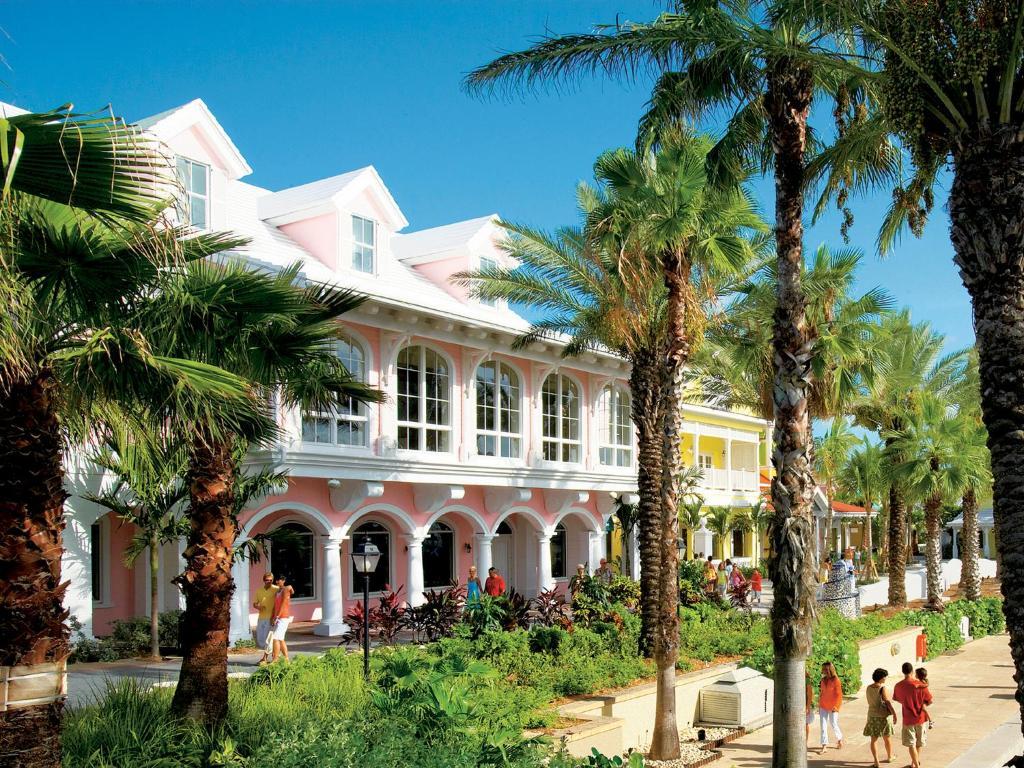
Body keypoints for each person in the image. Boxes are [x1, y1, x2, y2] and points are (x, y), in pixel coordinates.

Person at [893, 661, 932, 768]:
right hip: (921, 718)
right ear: (912, 671)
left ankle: (914, 765)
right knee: (918, 742)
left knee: (911, 744)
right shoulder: (921, 685)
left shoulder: (898, 686)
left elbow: (898, 699)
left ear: (903, 672)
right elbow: (929, 701)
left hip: (908, 718)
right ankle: (914, 764)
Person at [863, 667, 897, 767]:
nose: (885, 679)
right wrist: (894, 713)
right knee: (887, 738)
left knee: (873, 740)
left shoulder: (868, 687)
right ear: (881, 678)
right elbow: (887, 702)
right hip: (883, 716)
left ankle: (876, 762)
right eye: (885, 677)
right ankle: (890, 756)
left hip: (872, 715)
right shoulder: (882, 688)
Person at [252, 572, 279, 665]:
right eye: (267, 580)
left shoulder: (276, 589)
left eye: (271, 580)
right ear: (264, 580)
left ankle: (266, 658)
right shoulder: (259, 591)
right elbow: (254, 603)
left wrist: (275, 616)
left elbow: (285, 595)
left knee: (269, 638)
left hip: (272, 617)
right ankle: (274, 656)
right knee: (261, 639)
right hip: (261, 617)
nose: (269, 582)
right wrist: (258, 607)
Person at [818, 661, 844, 752]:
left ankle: (839, 739)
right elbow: (822, 693)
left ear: (829, 670)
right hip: (823, 706)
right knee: (823, 726)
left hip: (833, 706)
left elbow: (839, 695)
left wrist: (836, 706)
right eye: (823, 669)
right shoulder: (823, 680)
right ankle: (824, 746)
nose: (823, 671)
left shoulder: (836, 680)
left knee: (833, 723)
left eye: (825, 669)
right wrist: (819, 704)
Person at [269, 574, 294, 663]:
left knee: (275, 638)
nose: (280, 581)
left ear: (284, 581)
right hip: (278, 617)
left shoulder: (285, 590)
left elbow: (283, 604)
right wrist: (272, 617)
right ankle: (286, 659)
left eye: (282, 580)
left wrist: (277, 616)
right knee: (280, 638)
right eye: (278, 580)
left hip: (283, 617)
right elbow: (275, 605)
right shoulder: (277, 592)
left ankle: (275, 660)